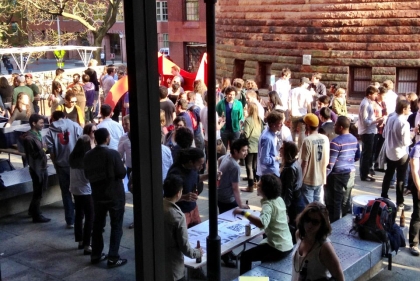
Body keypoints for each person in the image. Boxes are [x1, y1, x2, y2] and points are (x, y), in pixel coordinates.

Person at [233, 174, 294, 275]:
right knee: (261, 246)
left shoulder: (267, 204)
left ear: (266, 189)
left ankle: (246, 279)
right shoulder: (279, 199)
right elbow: (286, 218)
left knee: (245, 256)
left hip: (278, 248)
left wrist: (243, 213)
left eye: (260, 185)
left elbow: (262, 224)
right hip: (287, 244)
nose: (257, 186)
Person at [84, 128, 127, 268]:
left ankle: (96, 254)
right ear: (107, 138)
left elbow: (87, 175)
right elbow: (121, 173)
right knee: (116, 226)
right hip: (114, 194)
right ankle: (113, 257)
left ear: (95, 139)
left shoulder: (88, 155)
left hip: (97, 195)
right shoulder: (112, 154)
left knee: (97, 225)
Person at [46, 111, 83, 228]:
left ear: (53, 118)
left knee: (66, 193)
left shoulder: (50, 131)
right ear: (65, 116)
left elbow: (51, 152)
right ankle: (80, 218)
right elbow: (82, 143)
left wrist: (55, 163)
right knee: (78, 192)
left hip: (61, 165)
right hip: (76, 164)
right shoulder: (75, 126)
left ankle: (70, 220)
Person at [163, 174, 202, 281]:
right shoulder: (177, 215)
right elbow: (184, 246)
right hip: (173, 268)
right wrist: (197, 253)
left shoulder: (158, 205)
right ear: (179, 193)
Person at [292, 202, 344, 281]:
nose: (310, 225)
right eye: (307, 219)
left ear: (322, 224)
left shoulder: (324, 247)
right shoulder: (299, 235)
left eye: (315, 222)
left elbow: (340, 278)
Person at [325, 116, 360, 223]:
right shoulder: (354, 139)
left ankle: (334, 225)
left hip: (336, 176)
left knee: (335, 203)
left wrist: (324, 176)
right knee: (346, 201)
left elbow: (331, 163)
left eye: (335, 125)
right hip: (350, 173)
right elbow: (357, 156)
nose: (334, 126)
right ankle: (347, 224)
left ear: (340, 127)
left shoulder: (335, 142)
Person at [381, 99, 412, 211]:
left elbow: (384, 134)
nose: (410, 110)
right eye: (409, 108)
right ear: (404, 109)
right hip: (401, 153)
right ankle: (400, 203)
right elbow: (405, 142)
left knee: (388, 174)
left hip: (390, 150)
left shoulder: (390, 118)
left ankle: (383, 196)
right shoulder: (404, 123)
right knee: (401, 178)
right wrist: (412, 136)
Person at [166, 148, 208, 228]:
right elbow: (168, 198)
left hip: (193, 209)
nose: (202, 167)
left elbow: (196, 178)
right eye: (199, 164)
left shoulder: (192, 168)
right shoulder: (175, 174)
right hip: (182, 213)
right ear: (190, 162)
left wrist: (211, 175)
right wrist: (184, 197)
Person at [20, 114, 50, 223]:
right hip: (36, 168)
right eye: (41, 123)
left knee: (40, 190)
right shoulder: (29, 138)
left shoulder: (37, 134)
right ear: (34, 123)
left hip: (41, 165)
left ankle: (32, 210)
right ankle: (36, 215)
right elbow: (33, 154)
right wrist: (44, 150)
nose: (43, 125)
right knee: (38, 191)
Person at [69, 135, 94, 254]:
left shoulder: (72, 157)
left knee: (79, 214)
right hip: (86, 190)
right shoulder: (87, 159)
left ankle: (79, 240)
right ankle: (87, 244)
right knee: (90, 216)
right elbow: (88, 178)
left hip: (75, 189)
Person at [300, 113, 329, 205]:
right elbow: (327, 159)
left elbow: (305, 163)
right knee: (319, 206)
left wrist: (300, 179)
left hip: (309, 179)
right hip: (321, 178)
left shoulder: (307, 140)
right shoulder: (325, 138)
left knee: (309, 208)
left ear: (307, 126)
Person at [358, 86, 384, 182]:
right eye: (375, 94)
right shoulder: (365, 104)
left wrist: (376, 120)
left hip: (371, 131)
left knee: (368, 154)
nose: (376, 96)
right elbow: (365, 121)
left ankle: (366, 172)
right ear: (369, 94)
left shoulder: (369, 103)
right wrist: (376, 121)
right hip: (367, 132)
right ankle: (364, 175)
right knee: (366, 154)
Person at [280, 141, 304, 238]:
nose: (279, 149)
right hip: (297, 199)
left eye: (282, 148)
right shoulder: (294, 163)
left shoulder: (290, 168)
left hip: (294, 203)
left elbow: (288, 190)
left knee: (293, 229)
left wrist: (285, 208)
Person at [242, 102, 264, 192]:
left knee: (249, 166)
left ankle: (250, 186)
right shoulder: (259, 119)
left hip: (250, 146)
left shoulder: (248, 120)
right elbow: (262, 131)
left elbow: (246, 135)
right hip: (258, 145)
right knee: (255, 166)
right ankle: (256, 183)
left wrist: (242, 131)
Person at [257, 111, 283, 178]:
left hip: (271, 170)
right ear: (273, 124)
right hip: (270, 172)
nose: (282, 125)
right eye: (280, 123)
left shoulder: (271, 134)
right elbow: (264, 159)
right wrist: (276, 158)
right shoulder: (268, 138)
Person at [216, 86, 244, 150]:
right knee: (222, 150)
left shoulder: (239, 104)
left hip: (235, 130)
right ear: (226, 94)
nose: (232, 96)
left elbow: (241, 117)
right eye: (230, 94)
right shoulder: (220, 103)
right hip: (223, 130)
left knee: (235, 150)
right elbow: (216, 114)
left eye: (233, 94)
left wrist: (241, 129)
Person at [288, 77, 312, 148]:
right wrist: (309, 113)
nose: (308, 85)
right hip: (302, 114)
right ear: (304, 83)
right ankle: (300, 148)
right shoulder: (307, 92)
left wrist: (290, 111)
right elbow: (308, 104)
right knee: (302, 131)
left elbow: (289, 102)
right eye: (307, 83)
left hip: (294, 113)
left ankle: (291, 147)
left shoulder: (292, 90)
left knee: (292, 130)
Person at [409, 138, 420, 256]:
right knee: (418, 214)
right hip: (418, 185)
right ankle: (414, 243)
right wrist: (419, 188)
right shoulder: (417, 149)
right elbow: (414, 170)